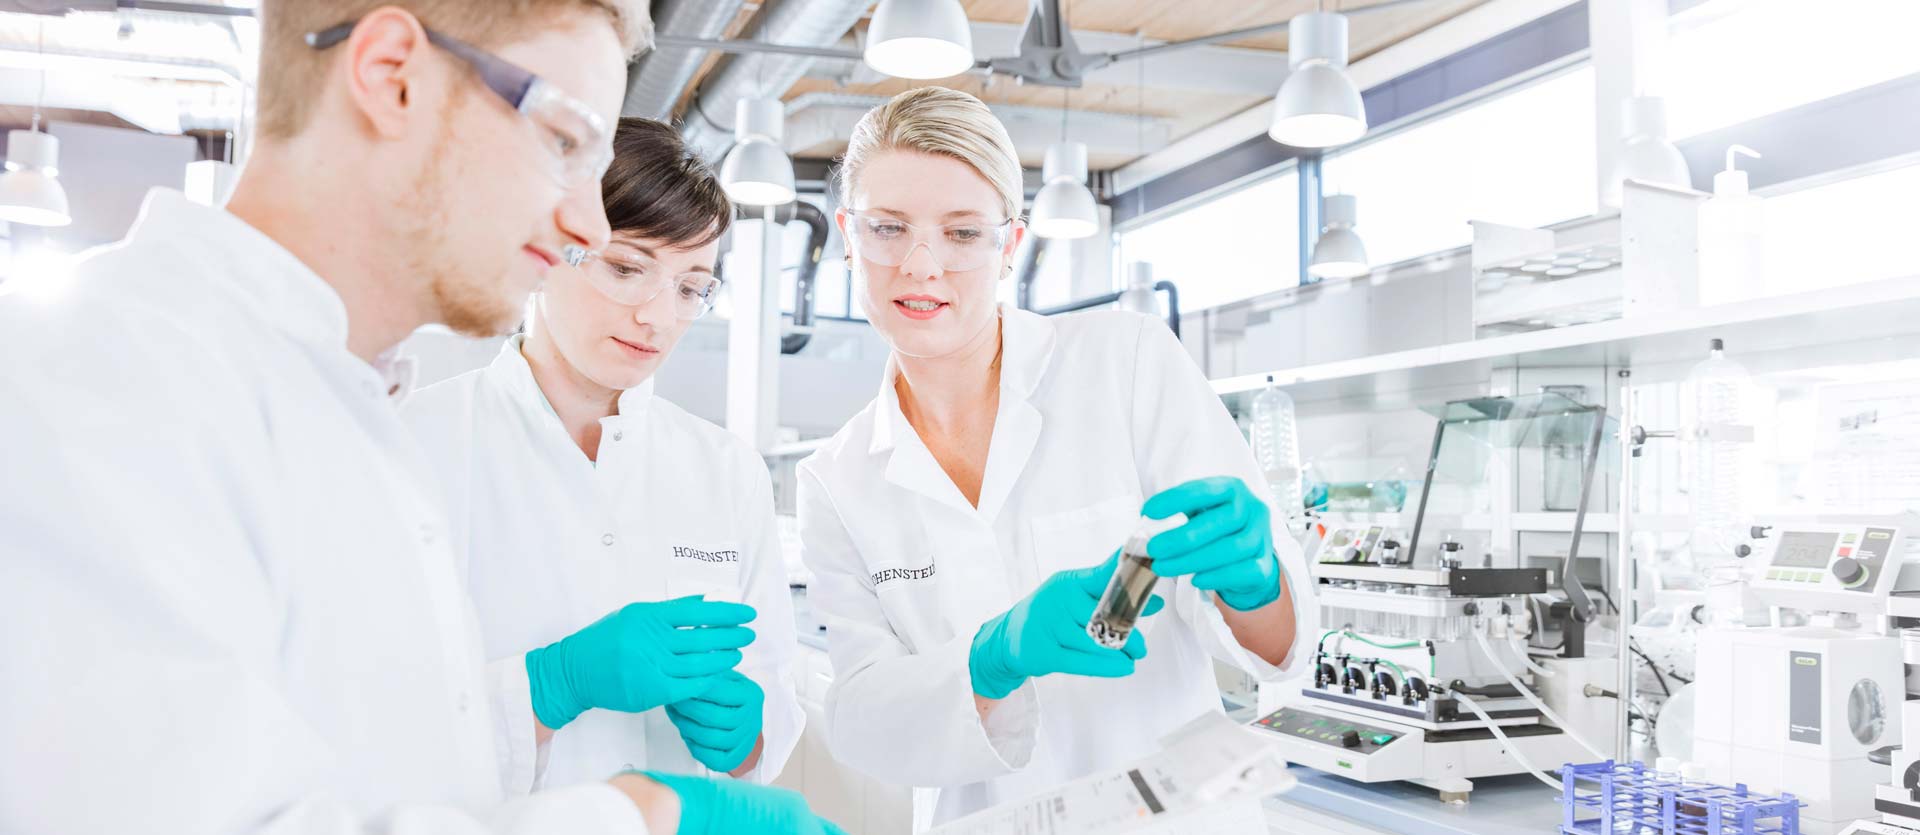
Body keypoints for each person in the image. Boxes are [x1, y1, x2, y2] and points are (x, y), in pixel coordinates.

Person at [0, 2, 836, 833]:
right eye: (562, 140)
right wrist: (634, 813)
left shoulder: (354, 413)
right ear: (391, 76)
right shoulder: (95, 380)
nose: (584, 221)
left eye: (691, 284)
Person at [796, 86, 1319, 828]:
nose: (921, 264)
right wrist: (991, 657)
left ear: (1009, 246)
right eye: (888, 227)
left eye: (962, 233)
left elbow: (1278, 652)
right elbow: (859, 717)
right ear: (847, 235)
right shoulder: (838, 477)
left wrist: (1257, 579)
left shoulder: (1125, 361)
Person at [402, 117, 801, 793]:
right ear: (547, 248)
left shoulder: (725, 471)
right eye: (627, 268)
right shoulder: (420, 443)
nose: (658, 316)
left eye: (689, 287)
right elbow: (368, 719)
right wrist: (549, 684)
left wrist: (747, 737)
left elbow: (772, 701)